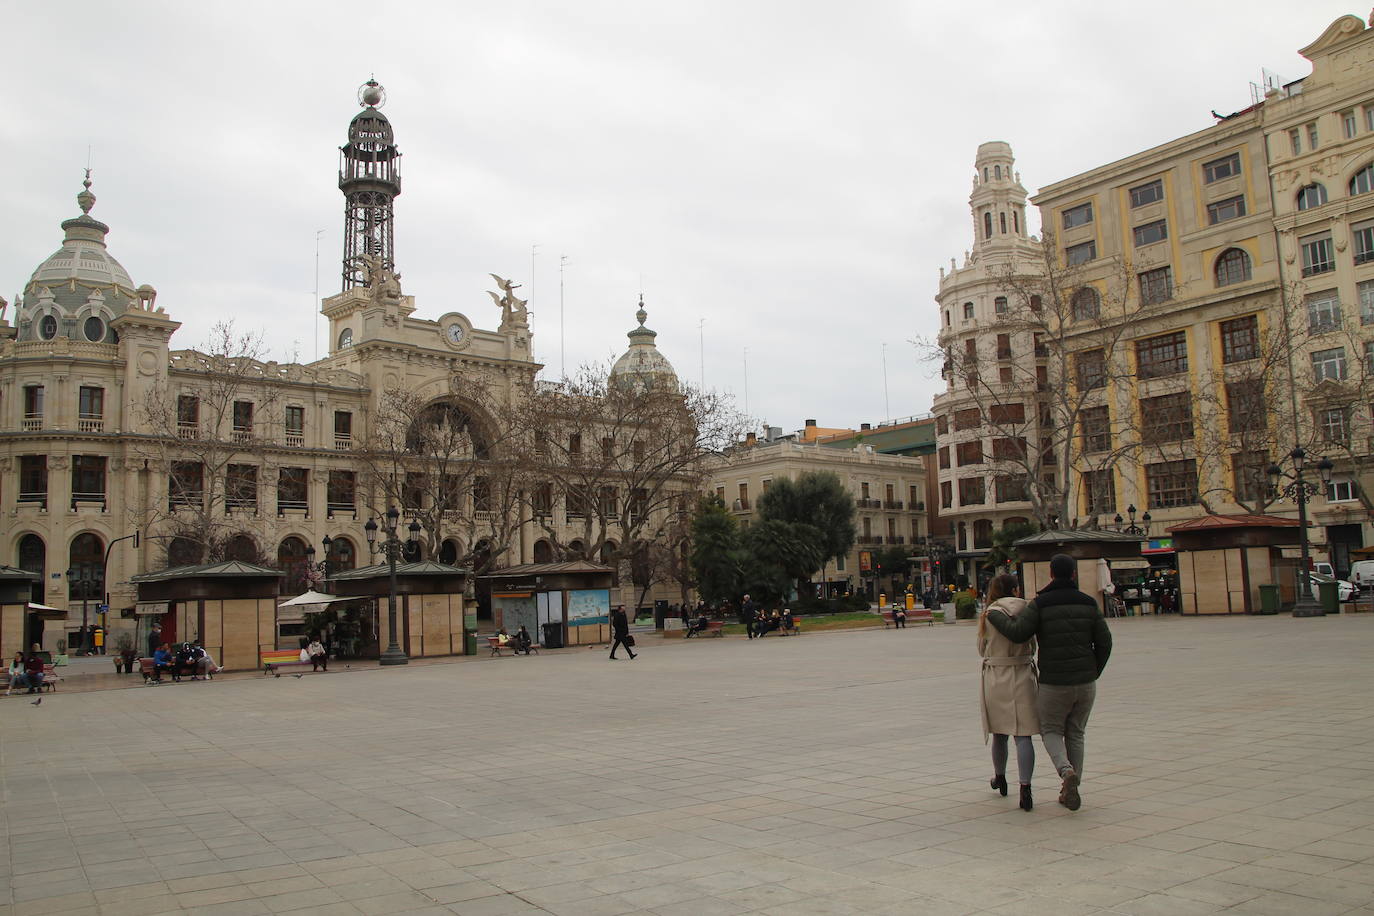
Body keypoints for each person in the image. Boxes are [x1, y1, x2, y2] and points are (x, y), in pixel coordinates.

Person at [984, 554, 1112, 812]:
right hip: (1086, 682)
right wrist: (1094, 670)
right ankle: (1070, 787)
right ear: (1073, 575)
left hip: (1055, 681)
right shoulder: (1089, 603)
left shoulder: (1041, 604)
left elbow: (1019, 633)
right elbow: (1105, 641)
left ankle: (1066, 772)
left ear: (1051, 575)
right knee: (1076, 733)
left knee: (1051, 730)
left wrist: (993, 614)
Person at [978, 573, 1039, 812]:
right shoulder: (1027, 609)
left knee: (999, 733)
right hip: (1023, 672)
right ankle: (1026, 787)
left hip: (996, 675)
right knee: (1023, 734)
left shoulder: (990, 613)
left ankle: (1000, 777)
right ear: (1015, 589)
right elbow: (1033, 644)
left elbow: (981, 648)